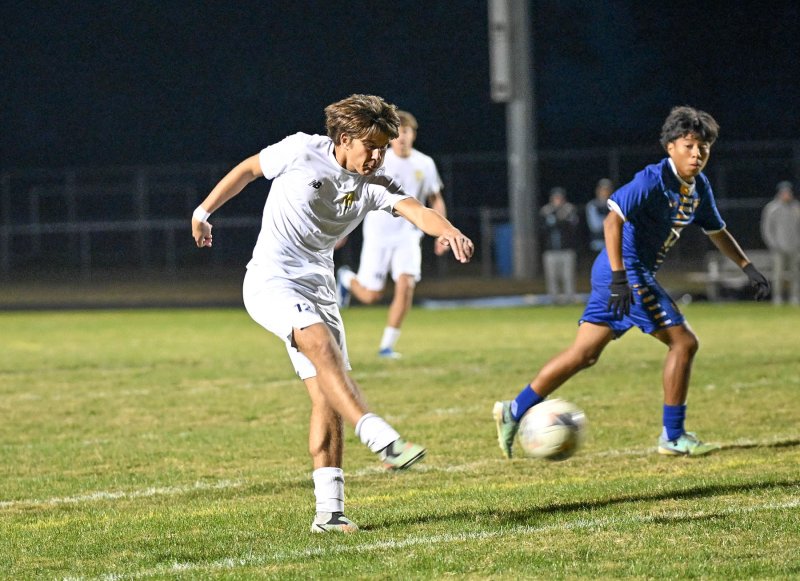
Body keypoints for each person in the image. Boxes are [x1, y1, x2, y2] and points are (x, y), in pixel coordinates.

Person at [190, 94, 474, 533]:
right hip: (271, 277)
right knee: (320, 345)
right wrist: (203, 211)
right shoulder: (301, 150)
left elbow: (416, 211)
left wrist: (450, 229)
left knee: (327, 396)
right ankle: (378, 434)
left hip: (320, 285)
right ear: (344, 138)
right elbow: (249, 169)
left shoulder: (377, 181)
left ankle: (330, 512)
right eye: (371, 147)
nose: (379, 157)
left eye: (384, 147)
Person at [493, 106, 770, 459]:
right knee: (683, 343)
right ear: (670, 147)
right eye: (688, 145)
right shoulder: (652, 180)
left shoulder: (699, 187)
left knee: (584, 355)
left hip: (624, 274)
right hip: (623, 271)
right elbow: (613, 221)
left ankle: (513, 410)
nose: (697, 154)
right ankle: (673, 436)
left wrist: (747, 267)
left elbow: (717, 231)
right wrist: (621, 278)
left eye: (703, 147)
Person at [336, 110, 447, 358]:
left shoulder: (425, 163)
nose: (402, 138)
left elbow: (435, 198)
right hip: (377, 235)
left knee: (406, 284)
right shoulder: (379, 160)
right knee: (371, 295)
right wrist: (341, 227)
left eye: (406, 132)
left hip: (408, 236)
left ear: (413, 135)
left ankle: (387, 346)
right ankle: (346, 279)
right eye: (397, 133)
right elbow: (355, 193)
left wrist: (443, 232)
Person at [760, 181, 800, 305]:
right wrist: (773, 245)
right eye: (784, 192)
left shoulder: (796, 207)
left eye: (788, 192)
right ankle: (777, 297)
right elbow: (766, 229)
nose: (787, 195)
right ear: (780, 193)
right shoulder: (772, 208)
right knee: (778, 275)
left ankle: (794, 297)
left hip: (795, 247)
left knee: (796, 274)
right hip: (778, 248)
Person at [540, 187, 580, 304]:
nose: (557, 200)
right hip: (550, 250)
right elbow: (543, 229)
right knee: (552, 277)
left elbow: (572, 228)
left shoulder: (569, 209)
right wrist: (558, 221)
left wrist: (558, 221)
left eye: (559, 198)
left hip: (567, 249)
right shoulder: (546, 211)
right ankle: (554, 299)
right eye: (555, 198)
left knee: (568, 276)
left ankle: (569, 298)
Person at [586, 178, 614, 253]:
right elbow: (595, 226)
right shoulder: (593, 205)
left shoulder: (615, 205)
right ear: (598, 191)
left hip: (615, 243)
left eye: (607, 189)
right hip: (598, 244)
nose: (605, 192)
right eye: (602, 189)